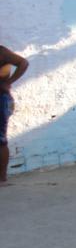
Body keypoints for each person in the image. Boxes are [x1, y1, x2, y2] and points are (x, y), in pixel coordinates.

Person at [0, 44, 29, 186]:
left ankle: (2, 178)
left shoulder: (2, 51)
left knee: (0, 140)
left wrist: (9, 82)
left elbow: (23, 62)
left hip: (1, 100)